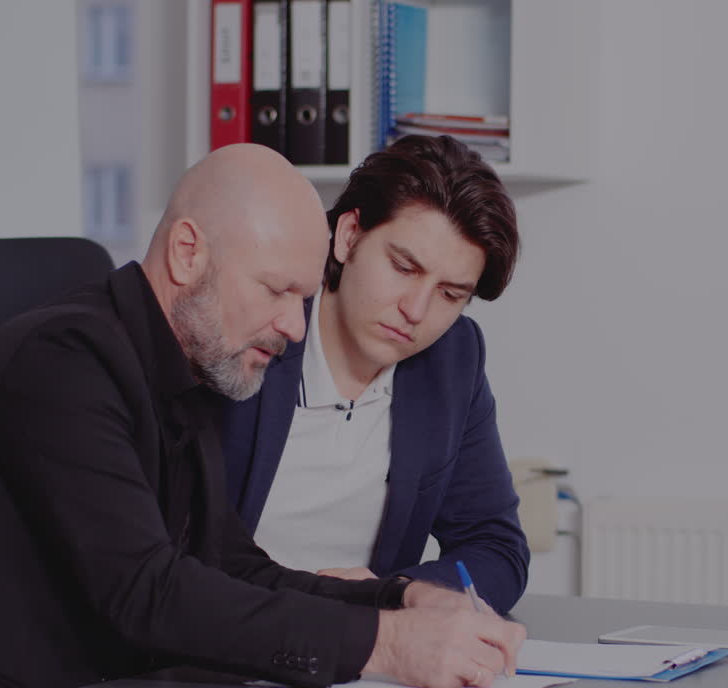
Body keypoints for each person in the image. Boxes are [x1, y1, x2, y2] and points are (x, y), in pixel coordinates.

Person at [0, 143, 525, 688]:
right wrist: (387, 645)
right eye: (275, 291)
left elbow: (230, 561)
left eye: (300, 299)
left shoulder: (182, 369)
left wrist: (400, 599)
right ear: (188, 253)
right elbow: (148, 589)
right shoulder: (65, 358)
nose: (295, 326)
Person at [218, 135, 528, 615]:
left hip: (360, 664)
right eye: (403, 267)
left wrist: (401, 591)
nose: (416, 310)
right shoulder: (251, 325)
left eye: (450, 294)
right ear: (348, 236)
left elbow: (496, 547)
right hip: (223, 644)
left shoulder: (452, 360)